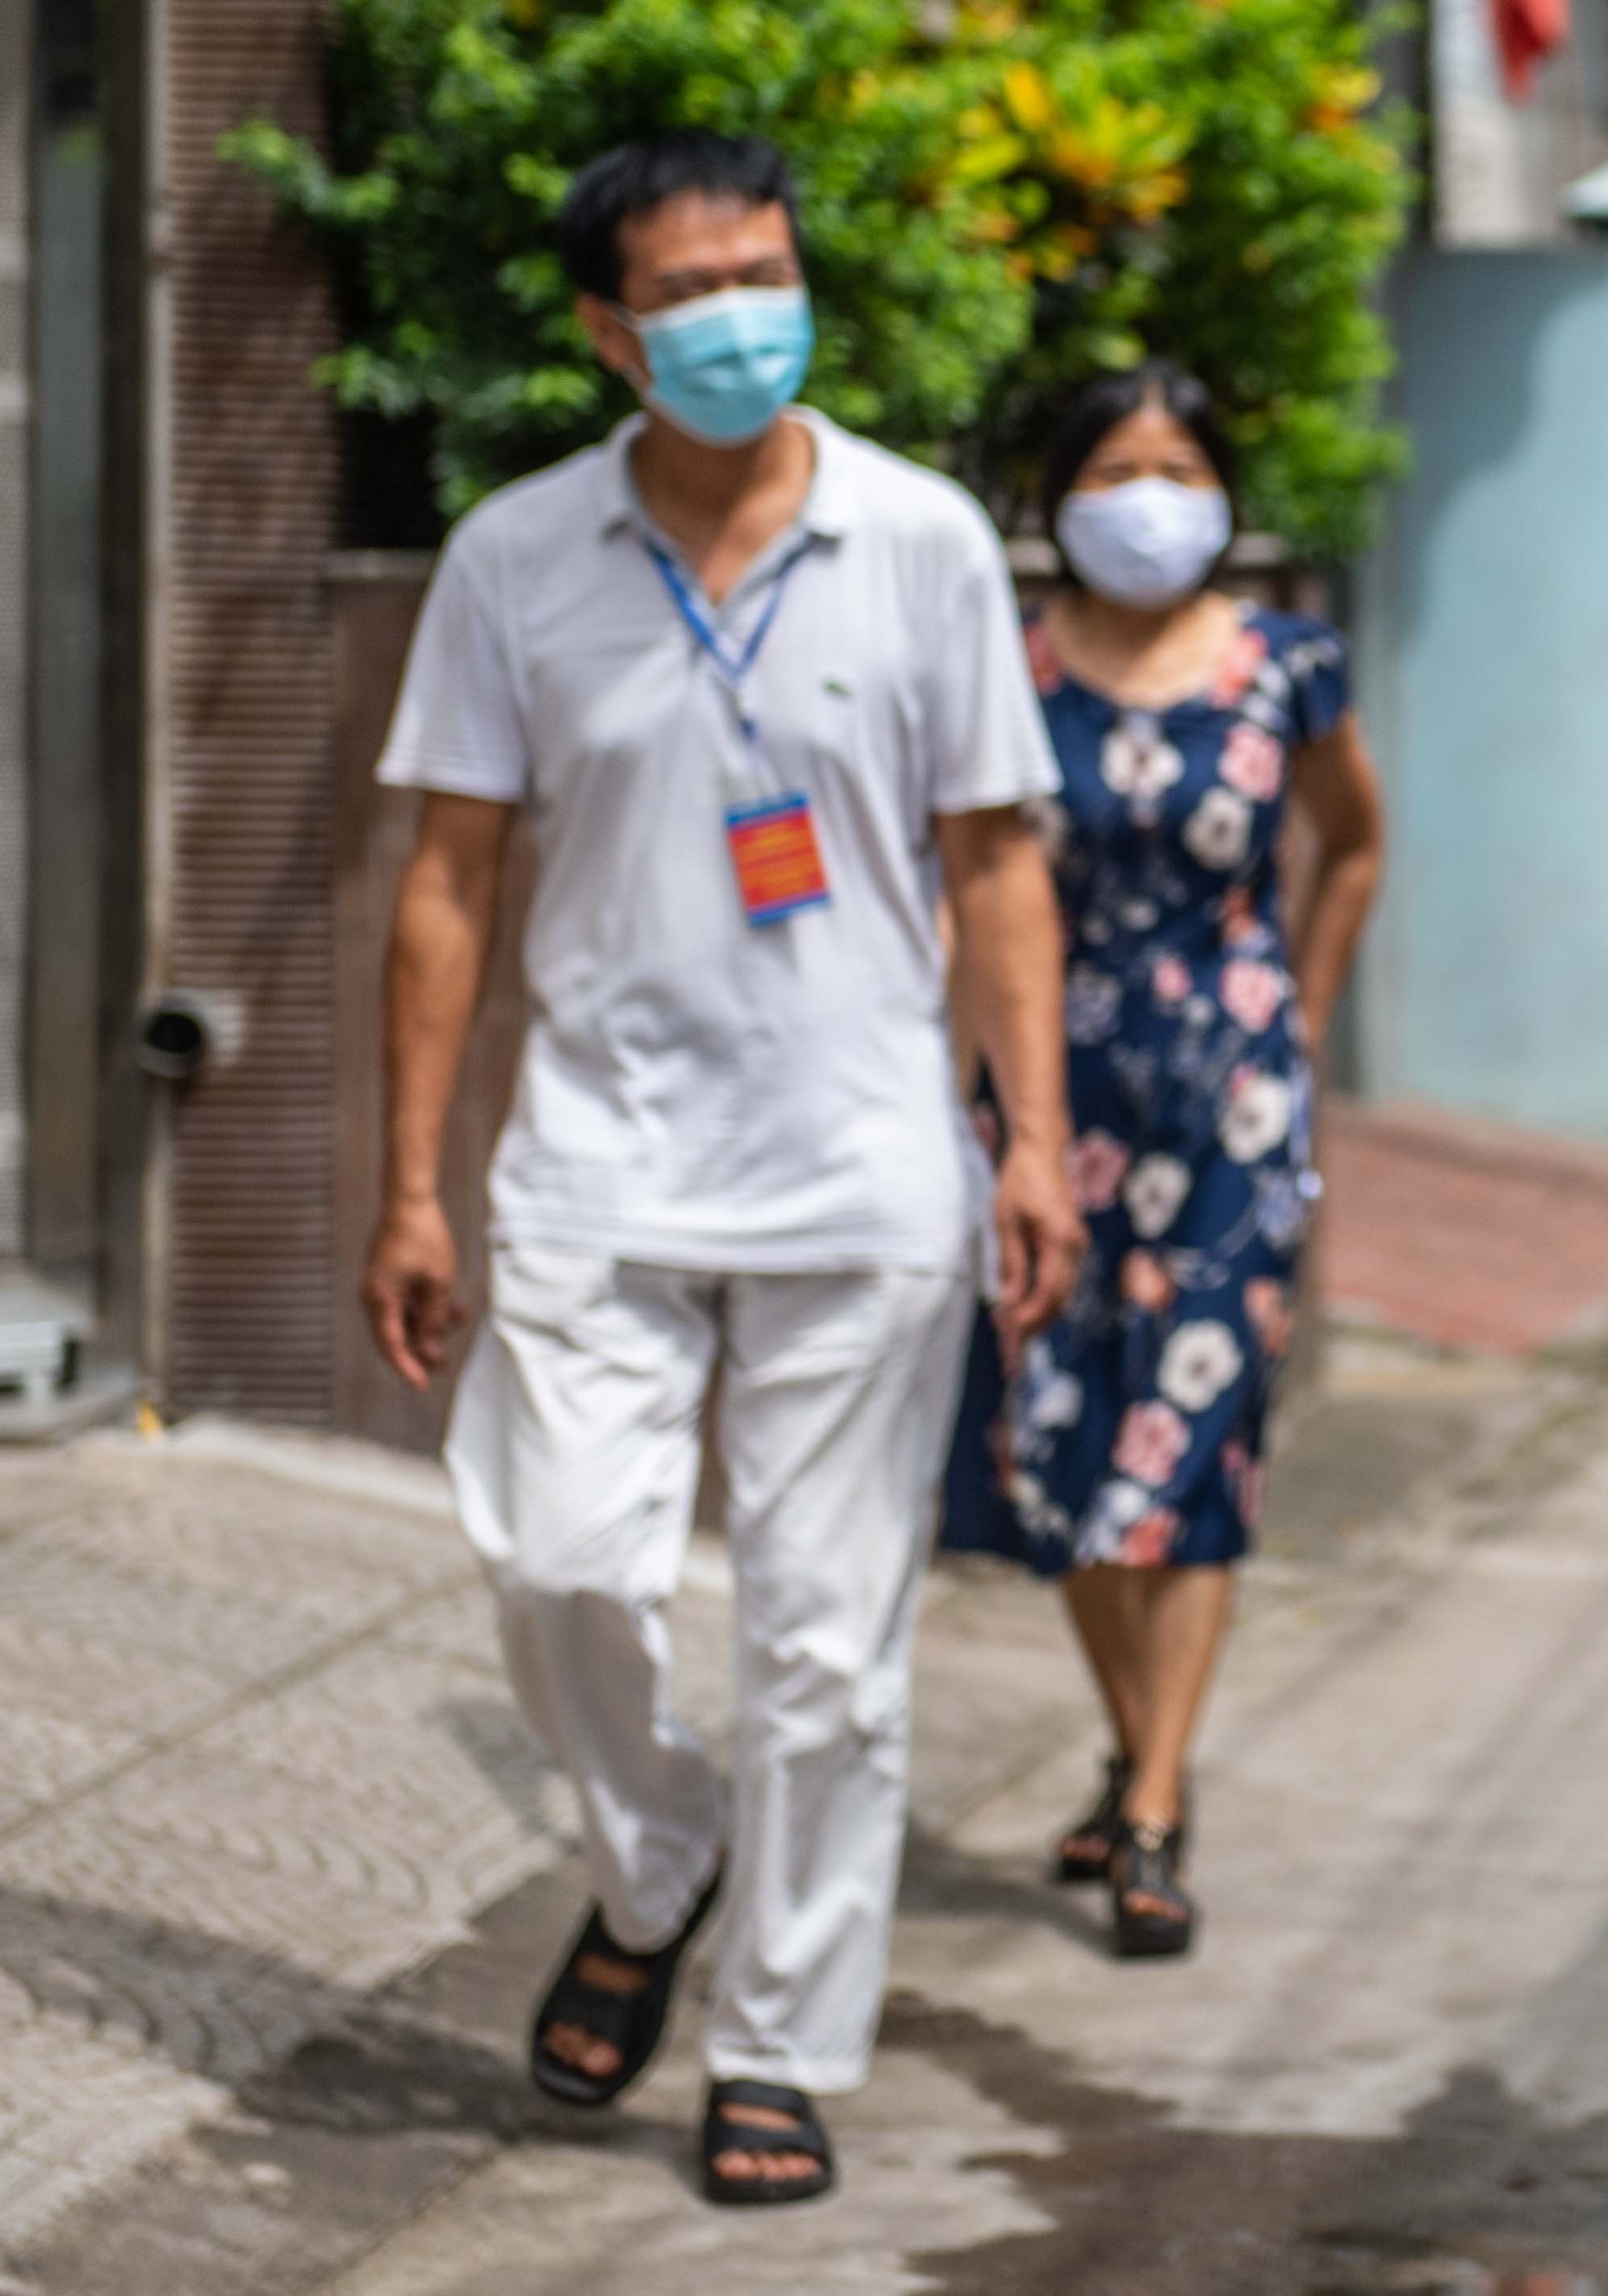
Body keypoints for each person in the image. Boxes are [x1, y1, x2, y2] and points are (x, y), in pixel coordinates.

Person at [356, 132, 1082, 2207]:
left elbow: (997, 863)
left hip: (863, 1174)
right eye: (692, 290)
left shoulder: (923, 540)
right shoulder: (517, 555)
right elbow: (447, 885)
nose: (743, 315)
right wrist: (415, 1179)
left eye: (767, 270)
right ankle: (659, 1852)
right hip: (593, 1155)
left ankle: (778, 2039)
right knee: (561, 1554)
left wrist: (1028, 1138)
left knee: (830, 1648)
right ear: (609, 328)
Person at [938, 362, 1388, 1960]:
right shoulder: (1002, 672)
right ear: (1058, 497)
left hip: (1230, 1114)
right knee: (1057, 1443)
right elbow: (969, 880)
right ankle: (1138, 1738)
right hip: (1052, 1101)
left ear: (1222, 488)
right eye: (1114, 463)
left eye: (1177, 463)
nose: (1149, 494)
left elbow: (1355, 842)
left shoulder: (1289, 666)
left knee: (1194, 1441)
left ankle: (1155, 1805)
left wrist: (1300, 1019)